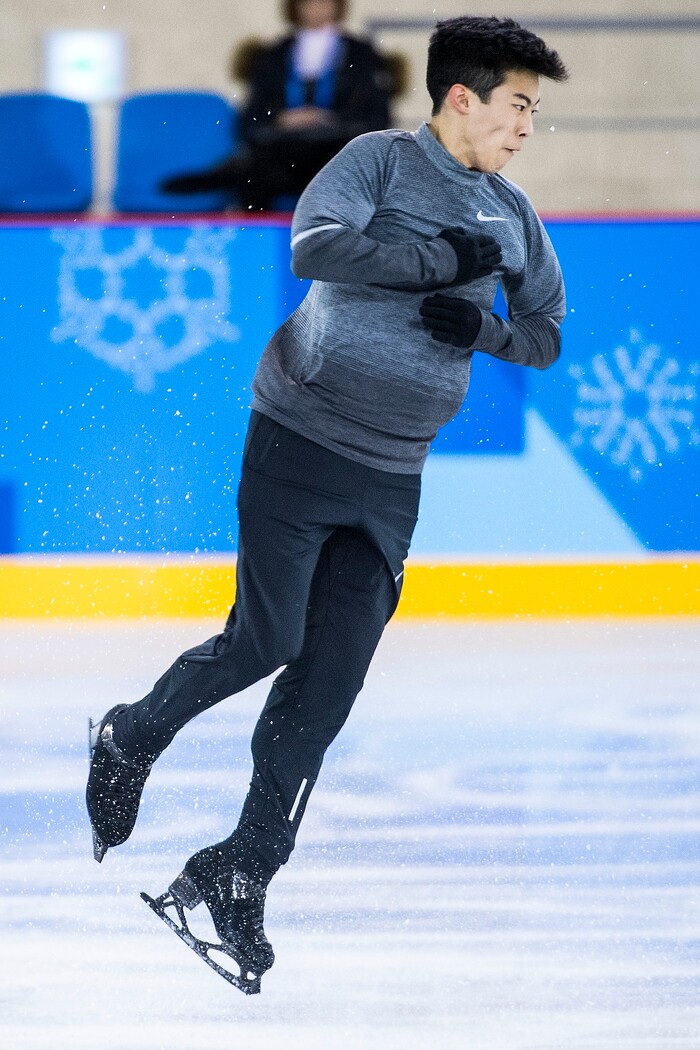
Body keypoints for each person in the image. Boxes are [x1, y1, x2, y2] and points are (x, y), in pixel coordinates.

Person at [87, 15, 568, 992]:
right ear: (462, 98)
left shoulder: (513, 215)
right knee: (266, 640)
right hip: (299, 441)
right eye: (518, 105)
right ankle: (130, 735)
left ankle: (241, 870)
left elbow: (547, 333)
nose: (526, 127)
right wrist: (432, 265)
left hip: (392, 476)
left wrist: (483, 331)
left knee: (328, 686)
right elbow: (312, 246)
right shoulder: (378, 161)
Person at [161, 0, 393, 210]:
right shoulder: (273, 55)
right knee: (254, 174)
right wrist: (281, 118)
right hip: (283, 150)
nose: (318, 8)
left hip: (336, 150)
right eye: (309, 3)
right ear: (295, 7)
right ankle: (256, 237)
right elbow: (251, 119)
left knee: (348, 173)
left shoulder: (362, 55)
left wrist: (330, 119)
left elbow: (376, 116)